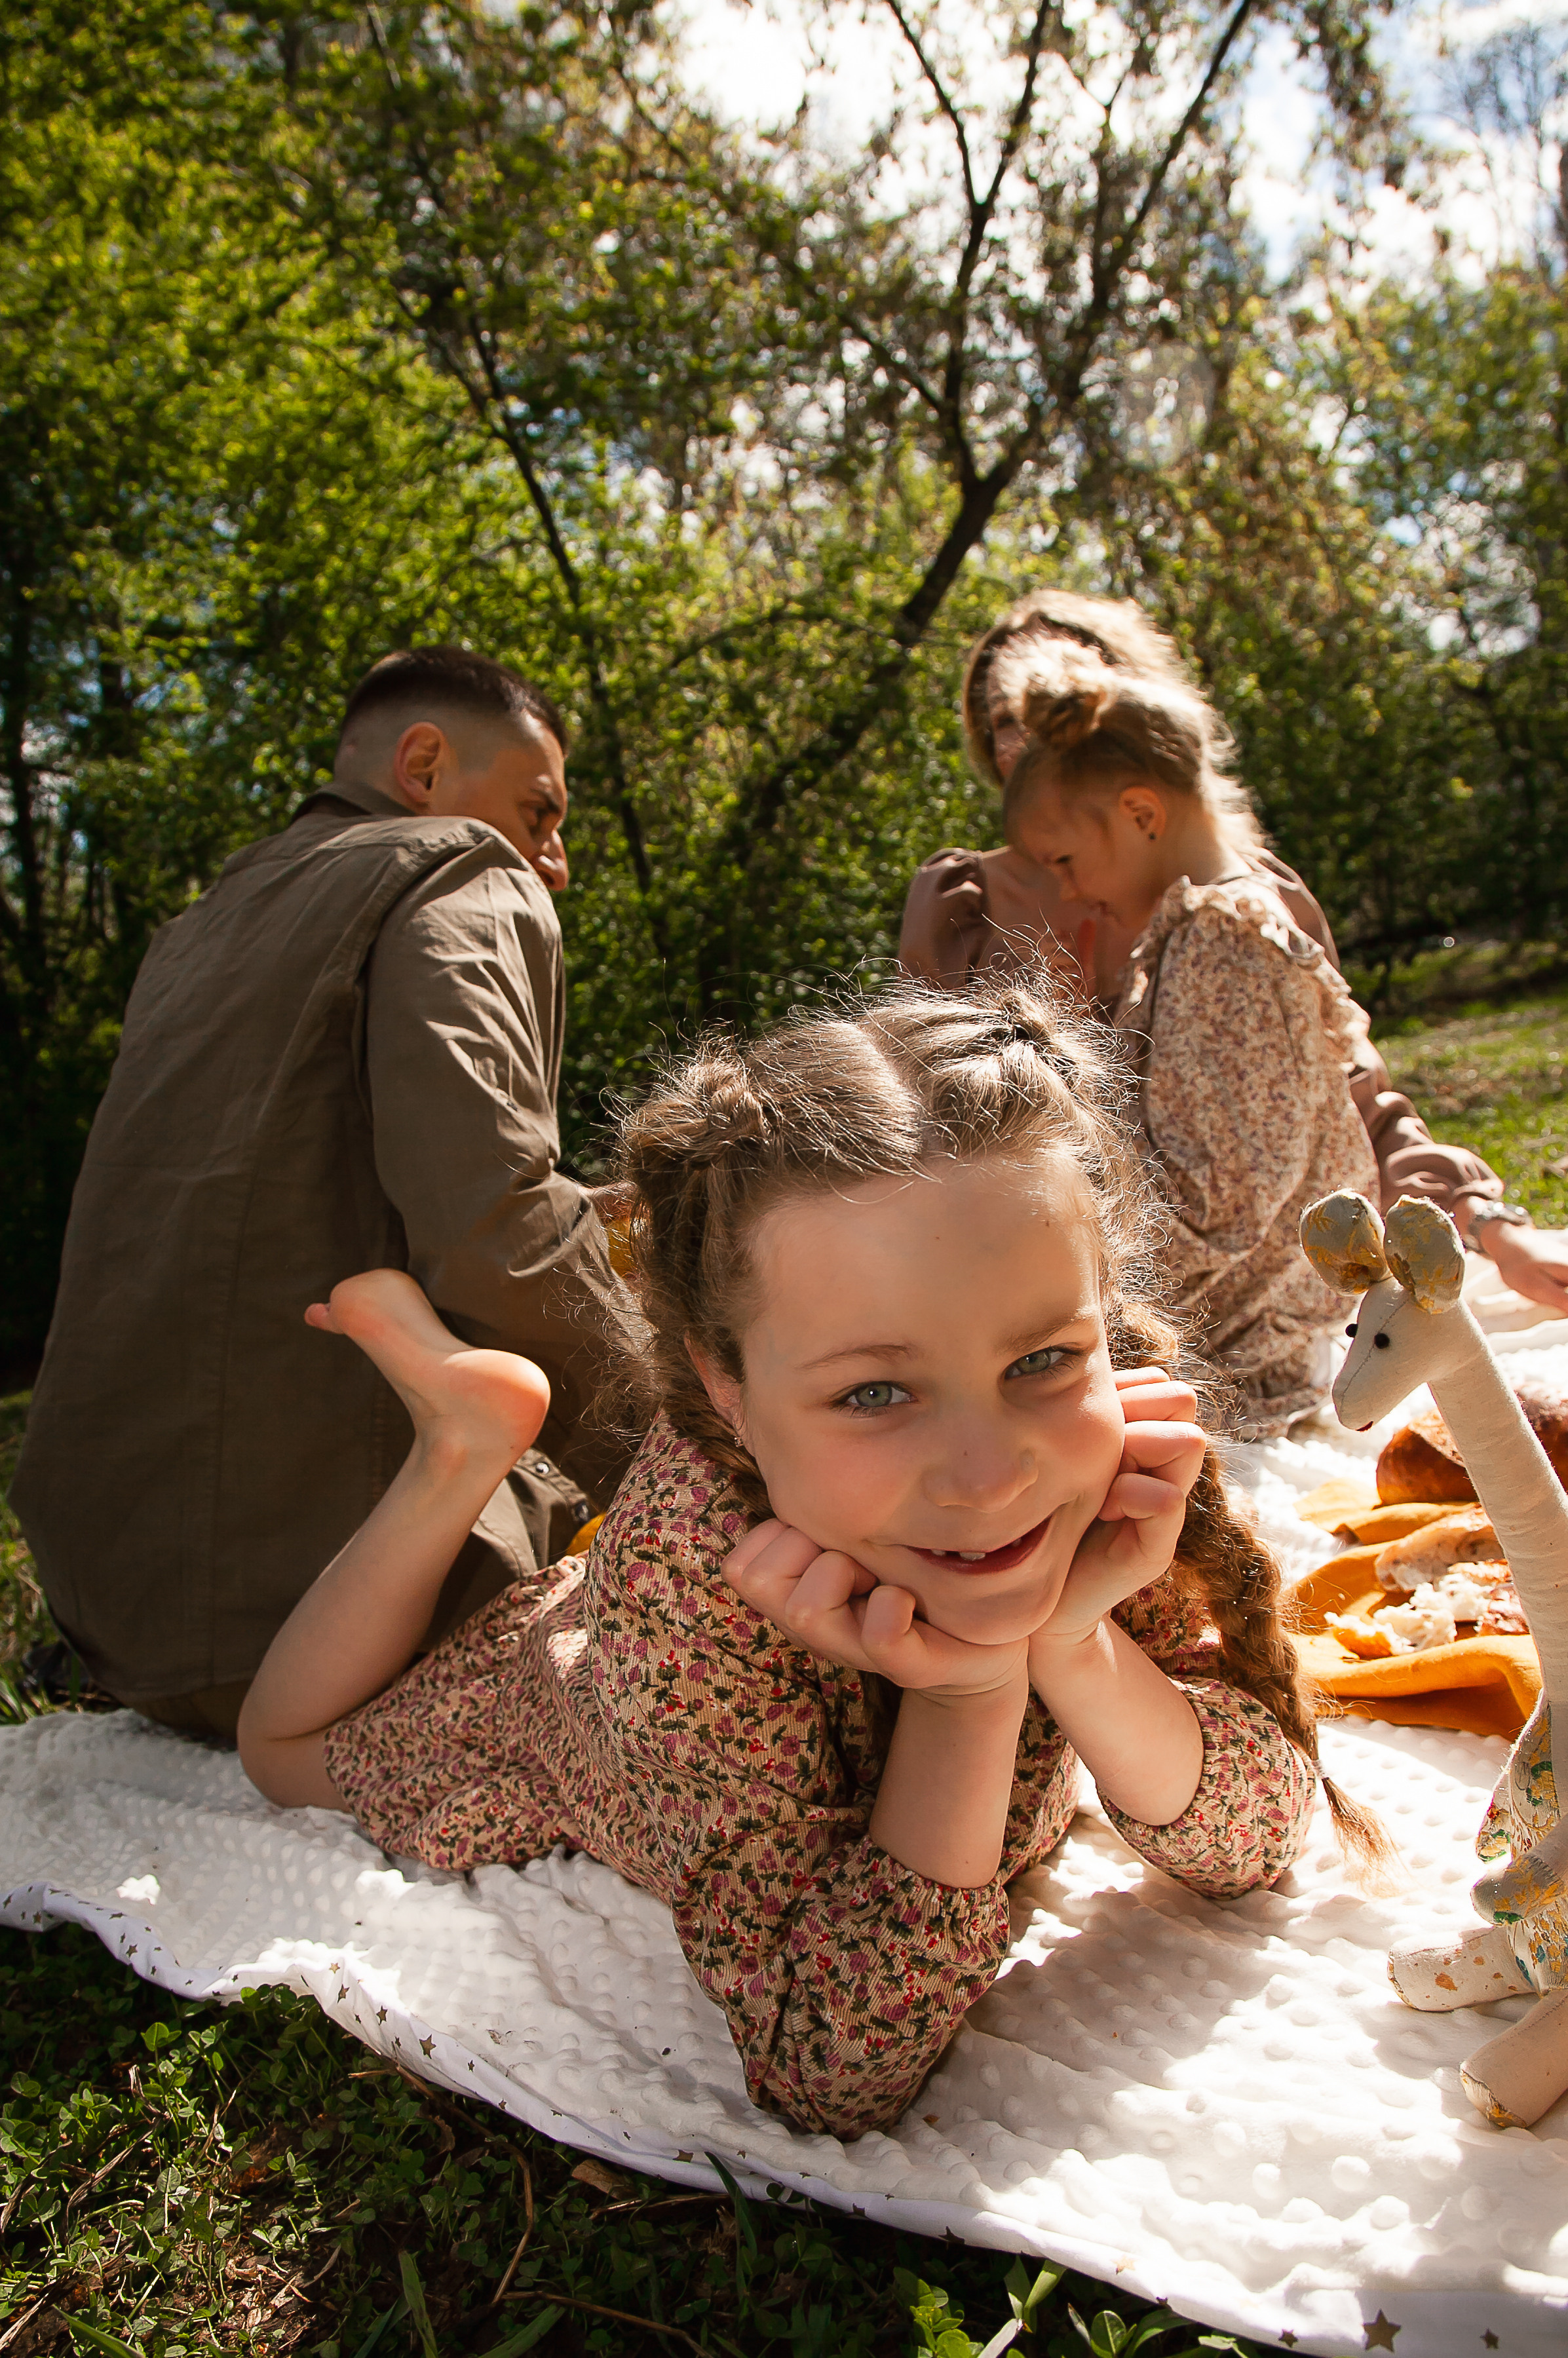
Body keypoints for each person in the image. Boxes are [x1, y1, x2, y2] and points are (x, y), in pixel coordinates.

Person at [236, 981, 1377, 2139]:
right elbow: (829, 2063)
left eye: (1041, 1357)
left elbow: (1257, 1835)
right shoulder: (686, 1575)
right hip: (569, 1697)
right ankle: (461, 1446)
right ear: (725, 1386)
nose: (986, 1476)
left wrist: (1073, 1643)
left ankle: (479, 1435)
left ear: (1101, 1318)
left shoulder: (1103, 1470)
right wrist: (970, 1690)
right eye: (875, 1391)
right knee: (278, 1750)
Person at [12, 645, 640, 1740]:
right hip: (336, 1618)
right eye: (540, 812)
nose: (555, 859)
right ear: (425, 764)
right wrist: (689, 1448)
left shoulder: (197, 925)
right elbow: (492, 1223)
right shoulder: (458, 866)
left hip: (124, 1610)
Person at [900, 587, 1568, 1316]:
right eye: (1005, 719)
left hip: (1247, 1302)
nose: (1030, 736)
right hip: (1042, 1288)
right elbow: (928, 1130)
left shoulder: (1238, 906)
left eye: (1056, 703)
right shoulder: (960, 905)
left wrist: (1487, 1225)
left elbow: (1350, 1095)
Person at [999, 647, 1381, 1430]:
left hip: (1246, 1353)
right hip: (1224, 1329)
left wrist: (1057, 1265)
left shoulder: (1225, 941)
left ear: (1141, 814)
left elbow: (1222, 1204)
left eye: (1064, 860)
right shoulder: (1190, 934)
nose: (1066, 889)